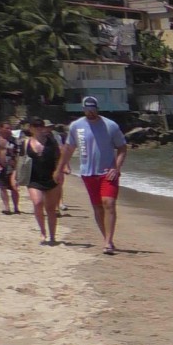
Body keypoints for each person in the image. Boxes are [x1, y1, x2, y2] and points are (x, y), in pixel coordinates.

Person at [58, 96, 127, 254]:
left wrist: (116, 167)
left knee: (108, 203)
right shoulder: (76, 126)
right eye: (87, 109)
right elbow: (68, 149)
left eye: (93, 109)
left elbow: (122, 148)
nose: (90, 112)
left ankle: (108, 243)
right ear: (83, 109)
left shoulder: (110, 125)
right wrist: (59, 168)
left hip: (108, 172)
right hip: (88, 173)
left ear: (97, 108)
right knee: (97, 207)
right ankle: (107, 238)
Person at [22, 118, 63, 245]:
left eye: (41, 125)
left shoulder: (51, 141)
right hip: (33, 178)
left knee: (51, 209)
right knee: (38, 203)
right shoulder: (26, 143)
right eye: (36, 126)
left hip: (51, 178)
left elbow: (59, 157)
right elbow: (20, 160)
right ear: (31, 128)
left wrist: (61, 171)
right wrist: (15, 175)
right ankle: (43, 231)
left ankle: (52, 235)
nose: (39, 128)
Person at [0, 120, 22, 214]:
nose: (9, 130)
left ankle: (16, 207)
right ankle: (7, 207)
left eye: (10, 128)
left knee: (14, 188)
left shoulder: (14, 140)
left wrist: (17, 166)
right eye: (6, 128)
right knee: (2, 187)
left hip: (12, 167)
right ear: (0, 129)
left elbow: (19, 153)